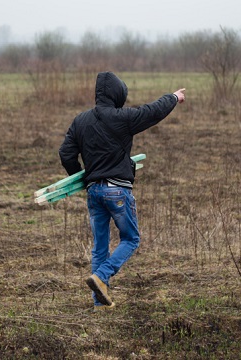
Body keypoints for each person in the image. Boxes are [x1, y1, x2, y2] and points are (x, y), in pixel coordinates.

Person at [59, 71, 186, 310]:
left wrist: (82, 177)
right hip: (118, 191)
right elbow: (152, 111)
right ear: (118, 94)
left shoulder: (80, 121)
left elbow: (65, 153)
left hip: (94, 191)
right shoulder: (123, 118)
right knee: (130, 238)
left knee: (100, 247)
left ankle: (100, 303)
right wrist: (173, 97)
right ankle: (101, 276)